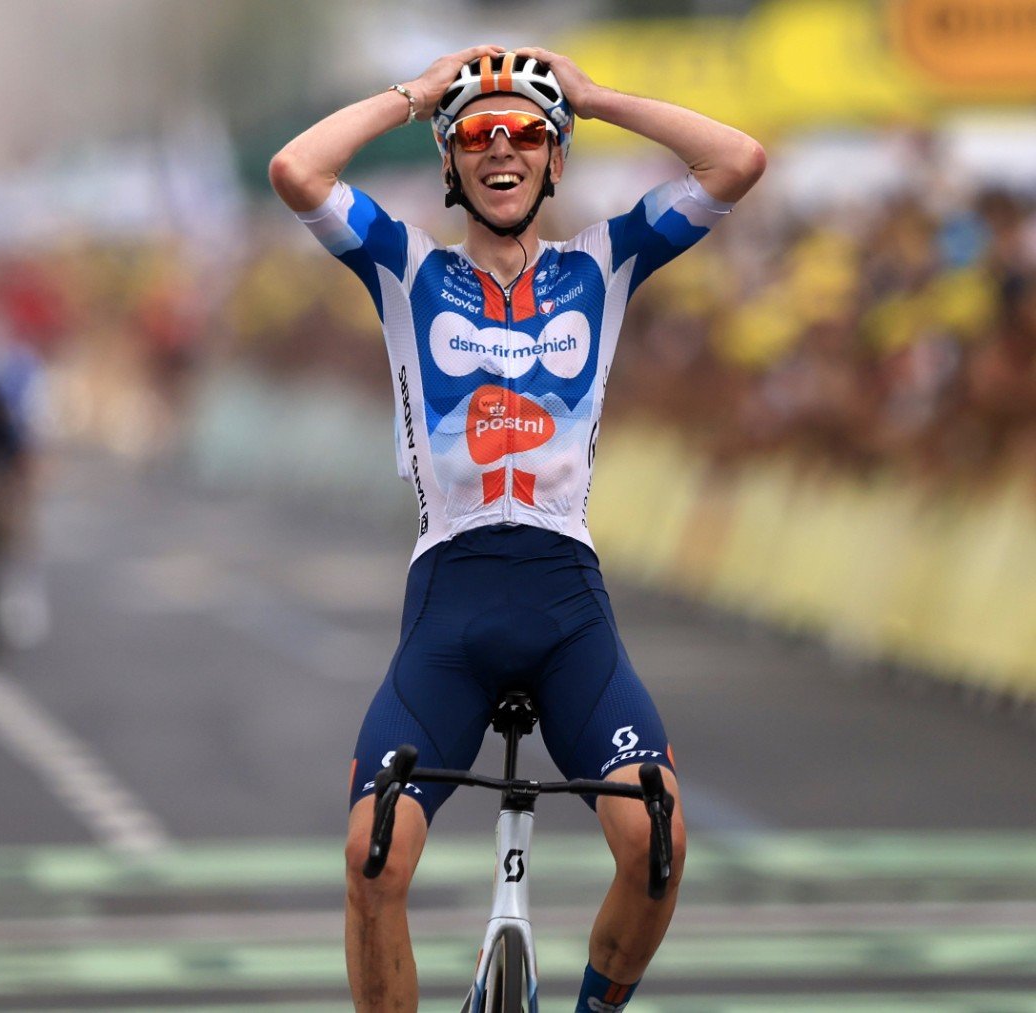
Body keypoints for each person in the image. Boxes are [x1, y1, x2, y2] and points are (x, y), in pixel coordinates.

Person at [269, 46, 764, 1012]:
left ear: (555, 160)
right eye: (480, 136)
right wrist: (418, 96)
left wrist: (596, 97)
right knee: (373, 860)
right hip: (449, 604)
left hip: (564, 599)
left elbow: (737, 161)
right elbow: (299, 172)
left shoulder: (606, 261)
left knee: (657, 841)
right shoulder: (407, 268)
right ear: (452, 165)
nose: (505, 149)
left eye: (529, 134)